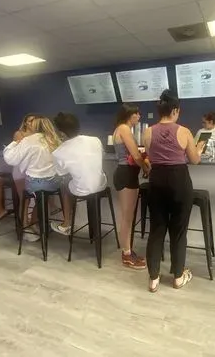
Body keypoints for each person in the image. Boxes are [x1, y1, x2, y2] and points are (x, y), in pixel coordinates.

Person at [143, 90, 205, 292]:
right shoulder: (184, 131)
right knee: (178, 231)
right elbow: (194, 160)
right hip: (179, 181)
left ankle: (153, 279)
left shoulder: (148, 132)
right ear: (176, 110)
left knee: (157, 230)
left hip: (157, 180)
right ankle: (178, 276)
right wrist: (199, 150)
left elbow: (151, 158)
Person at [3, 115, 65, 238]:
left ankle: (33, 223)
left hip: (32, 174)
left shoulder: (34, 139)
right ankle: (25, 226)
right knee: (25, 200)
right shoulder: (22, 134)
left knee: (37, 198)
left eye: (33, 121)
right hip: (23, 172)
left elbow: (12, 157)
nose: (31, 123)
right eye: (29, 120)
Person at [51, 112, 107, 235]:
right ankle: (89, 226)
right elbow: (101, 156)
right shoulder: (95, 140)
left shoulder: (58, 152)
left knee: (64, 184)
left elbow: (61, 173)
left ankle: (66, 224)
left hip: (82, 190)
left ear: (60, 133)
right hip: (101, 185)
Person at [112, 104, 150, 270]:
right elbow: (135, 155)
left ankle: (128, 252)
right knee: (127, 217)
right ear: (130, 115)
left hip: (127, 174)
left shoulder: (122, 128)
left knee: (128, 216)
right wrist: (146, 167)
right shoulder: (124, 129)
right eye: (137, 114)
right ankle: (126, 255)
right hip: (126, 174)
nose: (139, 117)